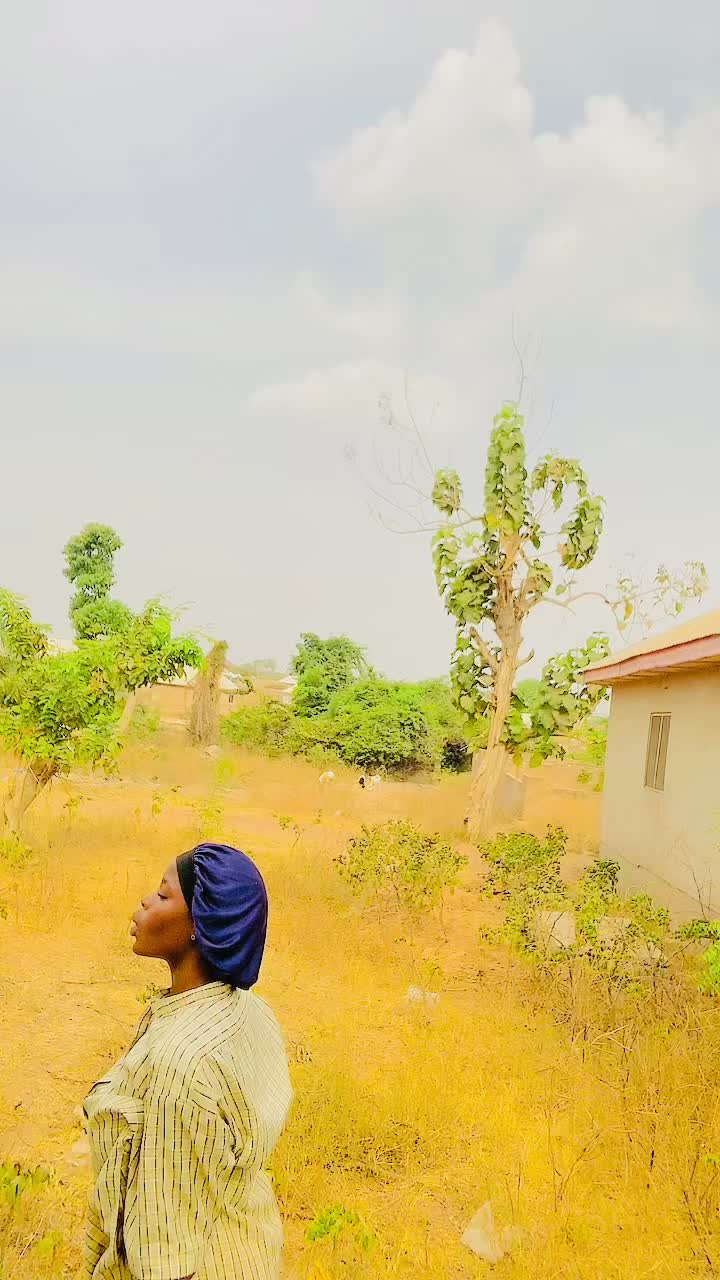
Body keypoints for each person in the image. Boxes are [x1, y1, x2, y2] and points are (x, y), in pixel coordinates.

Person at [83, 842, 292, 1280]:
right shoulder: (249, 1010)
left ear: (202, 924)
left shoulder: (181, 1064)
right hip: (245, 1248)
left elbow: (166, 1253)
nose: (145, 901)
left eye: (163, 894)